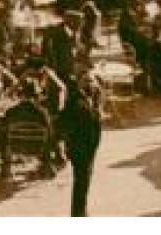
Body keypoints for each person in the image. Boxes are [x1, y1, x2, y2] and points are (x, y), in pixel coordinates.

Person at [61, 72, 104, 216]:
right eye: (87, 81)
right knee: (81, 182)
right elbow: (66, 122)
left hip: (88, 148)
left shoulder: (90, 99)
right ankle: (78, 214)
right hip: (80, 149)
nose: (91, 84)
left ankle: (81, 211)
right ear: (80, 83)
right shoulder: (76, 101)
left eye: (92, 81)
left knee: (84, 182)